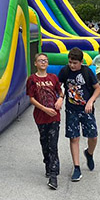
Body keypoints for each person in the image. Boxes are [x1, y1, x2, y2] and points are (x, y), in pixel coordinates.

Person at [58, 47, 100, 182]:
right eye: (70, 62)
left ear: (81, 62)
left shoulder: (86, 72)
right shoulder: (65, 71)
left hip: (86, 109)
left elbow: (97, 88)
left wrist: (91, 101)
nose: (72, 65)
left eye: (75, 63)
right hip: (71, 109)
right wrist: (60, 97)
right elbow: (60, 86)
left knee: (93, 136)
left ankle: (89, 153)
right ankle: (76, 167)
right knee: (74, 138)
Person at [26, 53, 63, 190]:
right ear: (35, 63)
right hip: (41, 116)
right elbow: (31, 98)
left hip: (54, 116)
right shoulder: (32, 79)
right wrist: (44, 109)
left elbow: (60, 92)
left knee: (53, 144)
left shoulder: (53, 77)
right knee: (44, 142)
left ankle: (54, 175)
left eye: (45, 61)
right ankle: (47, 162)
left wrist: (60, 100)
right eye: (40, 60)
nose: (43, 62)